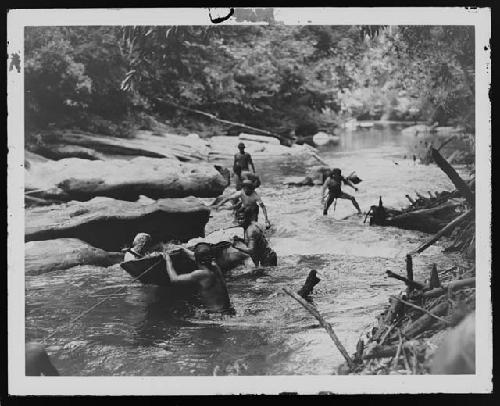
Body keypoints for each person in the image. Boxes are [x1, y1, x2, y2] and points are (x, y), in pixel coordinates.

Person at [163, 244, 234, 314]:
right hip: (229, 310)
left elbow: (174, 279)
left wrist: (168, 261)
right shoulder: (214, 265)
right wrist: (183, 249)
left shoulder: (201, 274)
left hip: (216, 314)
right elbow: (198, 257)